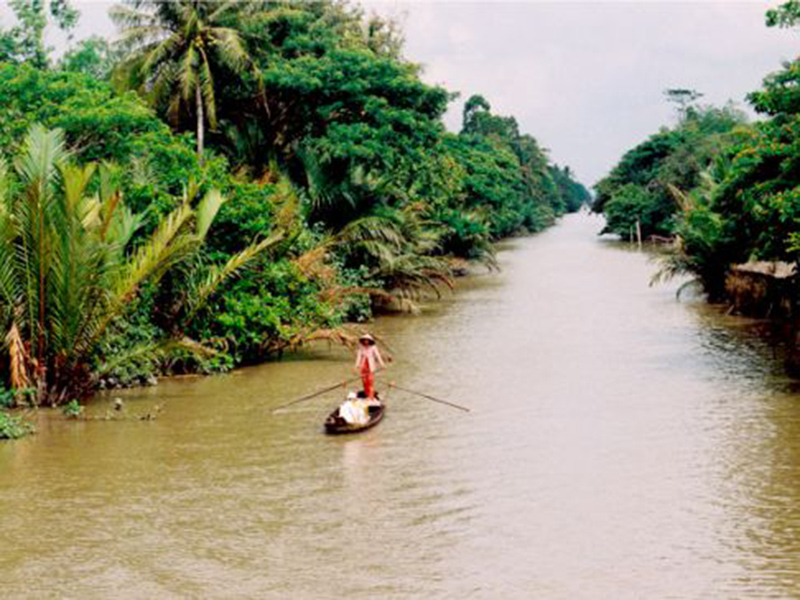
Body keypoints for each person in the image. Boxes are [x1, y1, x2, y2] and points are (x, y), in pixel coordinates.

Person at [354, 333, 385, 400]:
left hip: (370, 367)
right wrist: (356, 366)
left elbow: (377, 355)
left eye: (367, 340)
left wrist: (382, 364)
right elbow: (359, 357)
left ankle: (370, 397)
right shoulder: (361, 347)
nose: (366, 341)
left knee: (370, 381)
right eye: (364, 340)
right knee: (364, 382)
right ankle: (367, 394)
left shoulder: (373, 347)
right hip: (363, 366)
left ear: (370, 341)